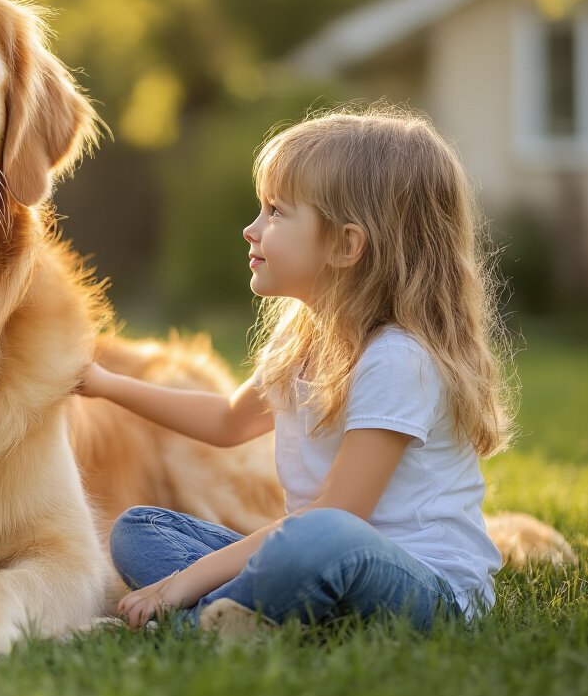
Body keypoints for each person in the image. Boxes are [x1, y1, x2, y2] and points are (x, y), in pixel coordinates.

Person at [78, 107, 512, 636]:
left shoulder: (398, 359)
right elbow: (227, 422)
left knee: (318, 538)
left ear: (346, 245)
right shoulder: (302, 340)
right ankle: (247, 618)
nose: (250, 229)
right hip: (312, 556)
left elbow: (340, 516)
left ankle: (198, 620)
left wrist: (185, 581)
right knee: (138, 528)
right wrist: (105, 384)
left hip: (423, 590)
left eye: (276, 212)